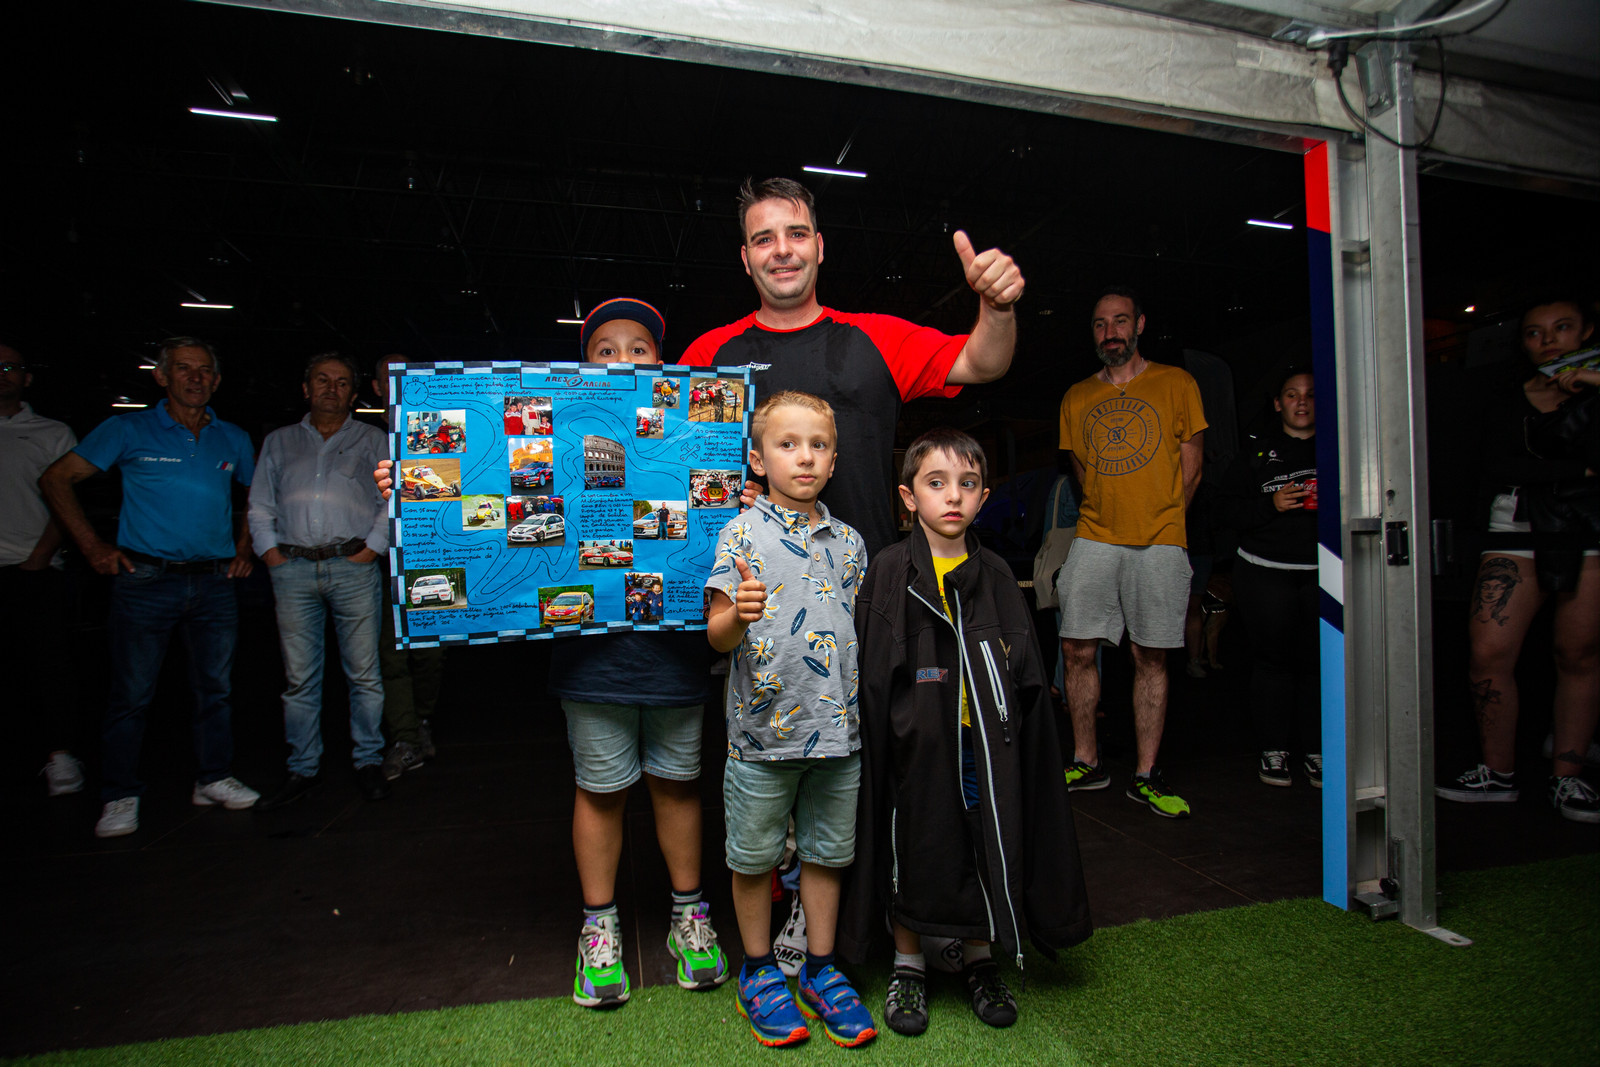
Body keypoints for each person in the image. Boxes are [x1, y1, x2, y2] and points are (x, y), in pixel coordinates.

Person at [376, 301, 730, 1006]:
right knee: (600, 789)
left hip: (675, 656)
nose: (623, 359)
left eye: (639, 348)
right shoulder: (552, 437)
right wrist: (411, 482)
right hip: (589, 659)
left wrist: (743, 486)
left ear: (662, 363)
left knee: (677, 784)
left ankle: (689, 916)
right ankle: (599, 926)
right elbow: (476, 494)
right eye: (605, 348)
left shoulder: (699, 435)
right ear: (581, 364)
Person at [839, 428, 1092, 1036]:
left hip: (982, 748)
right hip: (915, 750)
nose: (952, 496)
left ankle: (980, 959)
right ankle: (908, 962)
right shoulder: (889, 571)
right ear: (909, 497)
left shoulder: (998, 574)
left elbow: (1025, 673)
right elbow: (873, 677)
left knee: (984, 839)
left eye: (968, 483)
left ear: (983, 497)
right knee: (914, 846)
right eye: (937, 483)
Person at [681, 176, 1024, 557]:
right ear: (746, 259)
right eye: (764, 239)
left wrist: (997, 308)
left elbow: (981, 364)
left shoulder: (878, 338)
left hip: (867, 581)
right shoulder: (708, 355)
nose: (782, 250)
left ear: (819, 246)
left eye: (797, 234)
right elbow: (672, 467)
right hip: (751, 583)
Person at [704, 390, 875, 1049]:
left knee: (828, 855)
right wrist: (737, 614)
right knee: (754, 859)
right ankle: (758, 969)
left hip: (838, 736)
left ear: (833, 460)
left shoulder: (852, 543)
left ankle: (820, 967)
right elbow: (716, 638)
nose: (804, 456)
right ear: (758, 459)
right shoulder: (741, 533)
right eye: (787, 444)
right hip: (761, 738)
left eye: (818, 445)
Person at [40, 337, 259, 837]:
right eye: (183, 369)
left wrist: (244, 548)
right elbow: (55, 479)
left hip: (215, 581)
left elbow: (257, 494)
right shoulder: (127, 429)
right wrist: (92, 547)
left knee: (216, 690)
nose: (195, 378)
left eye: (204, 370)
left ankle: (212, 778)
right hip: (145, 581)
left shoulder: (232, 437)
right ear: (162, 376)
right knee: (132, 694)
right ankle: (119, 794)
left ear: (216, 380)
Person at [1437, 297, 1600, 823]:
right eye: (1534, 332)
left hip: (1587, 530)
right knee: (1489, 652)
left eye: (1562, 327)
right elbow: (1493, 465)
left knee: (1578, 653)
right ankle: (1497, 772)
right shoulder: (1505, 396)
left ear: (1587, 331)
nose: (1547, 340)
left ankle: (1568, 776)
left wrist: (1591, 383)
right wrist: (1579, 472)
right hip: (1514, 529)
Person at [1055, 288, 1206, 818]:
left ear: (1139, 324)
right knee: (1076, 648)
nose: (1111, 332)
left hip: (1161, 539)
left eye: (1120, 321)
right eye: (1100, 324)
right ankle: (1087, 761)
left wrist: (1164, 521)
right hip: (1096, 535)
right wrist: (1109, 512)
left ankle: (1146, 774)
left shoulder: (1177, 383)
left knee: (1150, 655)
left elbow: (1192, 466)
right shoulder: (1076, 396)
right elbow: (1081, 471)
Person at [249, 352, 391, 809]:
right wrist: (270, 553)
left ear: (354, 393)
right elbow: (260, 503)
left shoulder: (373, 439)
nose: (332, 388)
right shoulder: (279, 441)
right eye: (323, 380)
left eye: (342, 382)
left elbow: (392, 500)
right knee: (299, 679)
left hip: (353, 566)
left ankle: (368, 761)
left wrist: (372, 549)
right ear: (306, 388)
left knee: (364, 674)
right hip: (291, 568)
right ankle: (303, 768)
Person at [1220, 368, 1322, 788]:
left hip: (1322, 573)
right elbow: (1226, 512)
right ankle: (1273, 750)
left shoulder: (1338, 449)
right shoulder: (1256, 453)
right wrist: (1272, 504)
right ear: (1279, 403)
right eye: (1292, 394)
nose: (1302, 402)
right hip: (1265, 571)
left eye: (1310, 394)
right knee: (1272, 663)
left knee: (1318, 664)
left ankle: (1317, 751)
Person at [0, 344, 84, 794]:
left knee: (49, 666)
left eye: (10, 366)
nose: (3, 373)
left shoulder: (52, 433)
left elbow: (68, 500)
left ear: (26, 378)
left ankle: (60, 756)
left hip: (35, 568)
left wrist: (38, 558)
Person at [370, 355, 446, 780]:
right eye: (387, 377)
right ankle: (405, 737)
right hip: (384, 562)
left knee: (431, 653)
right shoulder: (371, 438)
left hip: (433, 558)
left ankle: (421, 720)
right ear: (378, 387)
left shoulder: (436, 431)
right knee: (392, 653)